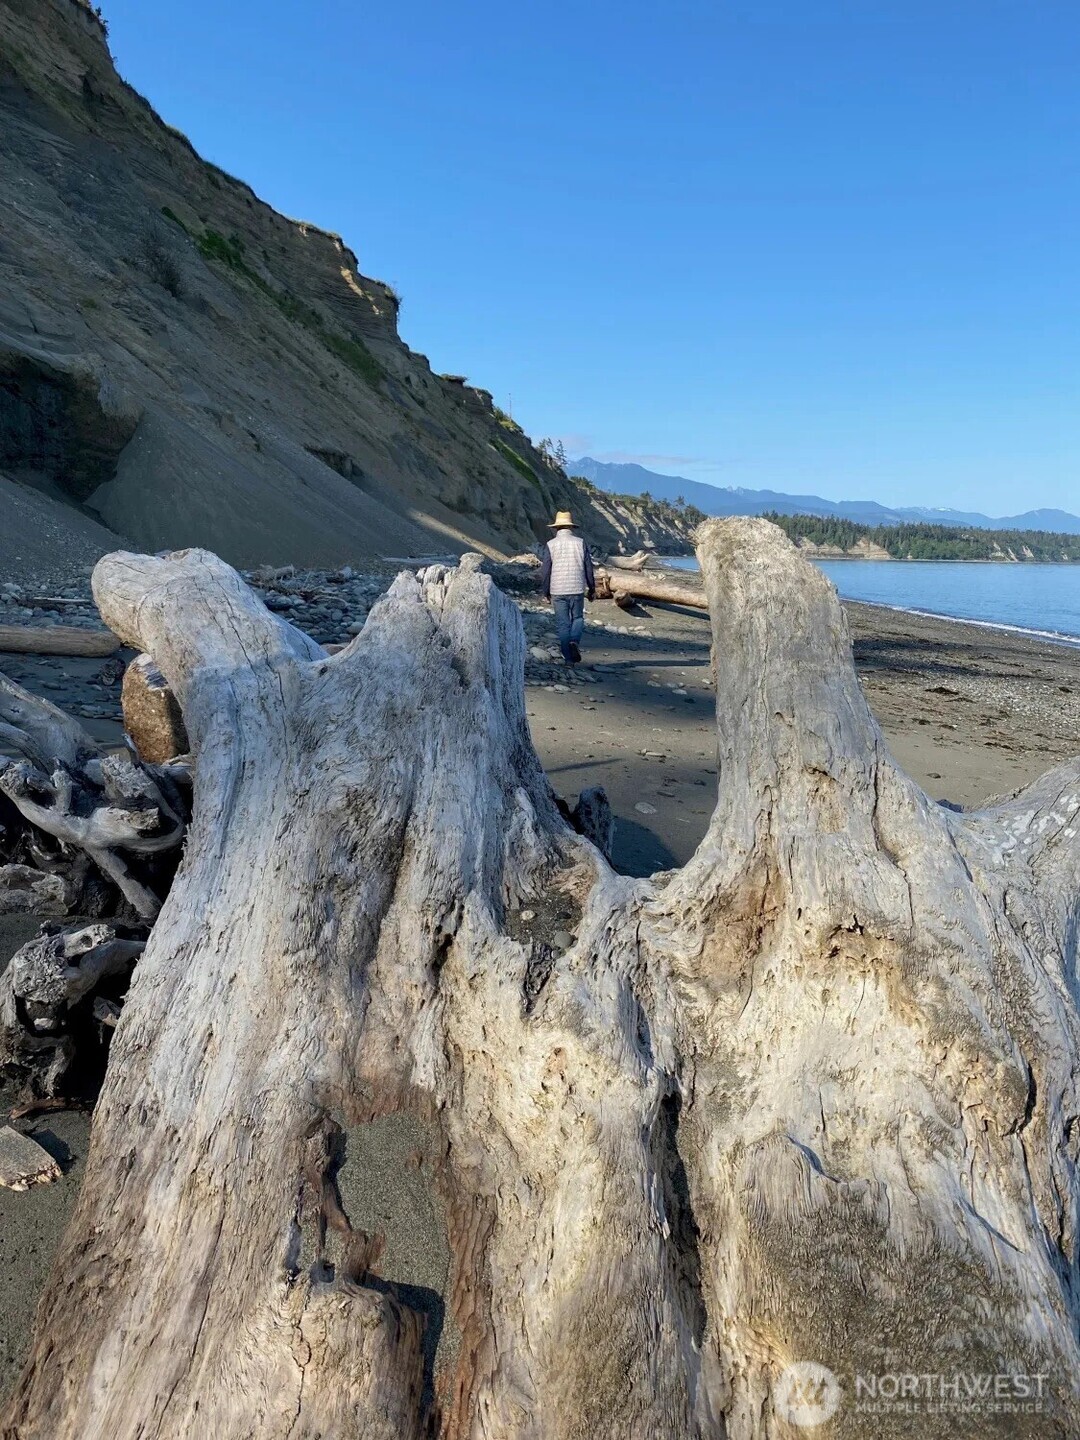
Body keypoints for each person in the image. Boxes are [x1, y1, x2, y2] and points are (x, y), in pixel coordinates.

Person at [540, 510, 596, 664]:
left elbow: (545, 570)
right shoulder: (580, 542)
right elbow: (589, 568)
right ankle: (574, 642)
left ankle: (569, 660)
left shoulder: (551, 544)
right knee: (577, 618)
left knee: (563, 624)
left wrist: (545, 592)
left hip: (557, 589)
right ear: (571, 527)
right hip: (576, 588)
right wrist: (592, 589)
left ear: (556, 528)